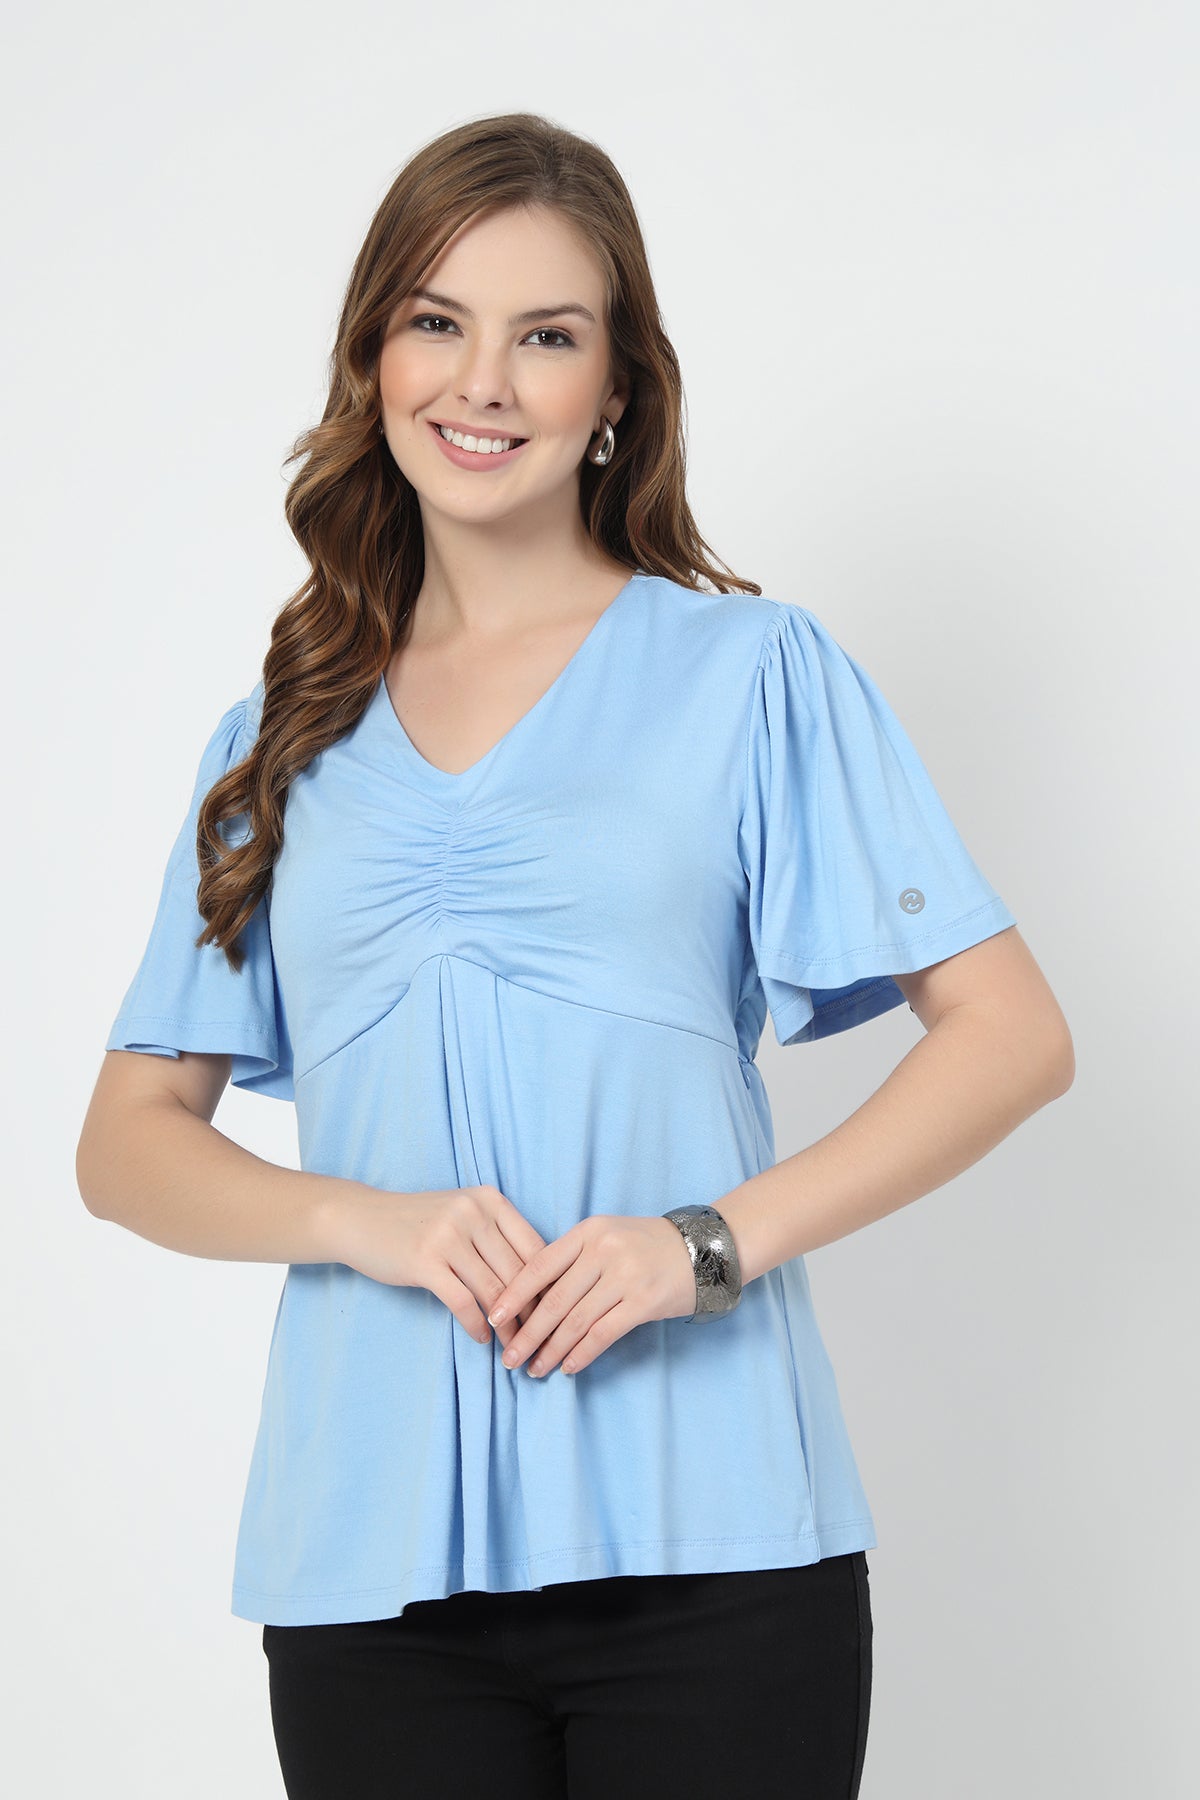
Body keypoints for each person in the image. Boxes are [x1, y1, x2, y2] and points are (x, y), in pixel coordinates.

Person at [76, 111, 1074, 1800]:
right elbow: (124, 1144)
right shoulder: (275, 738)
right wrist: (366, 1223)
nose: (484, 382)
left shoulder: (753, 675)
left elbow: (1011, 1033)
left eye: (547, 336)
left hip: (717, 1543)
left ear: (617, 388)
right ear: (375, 356)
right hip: (369, 1566)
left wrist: (705, 1248)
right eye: (437, 322)